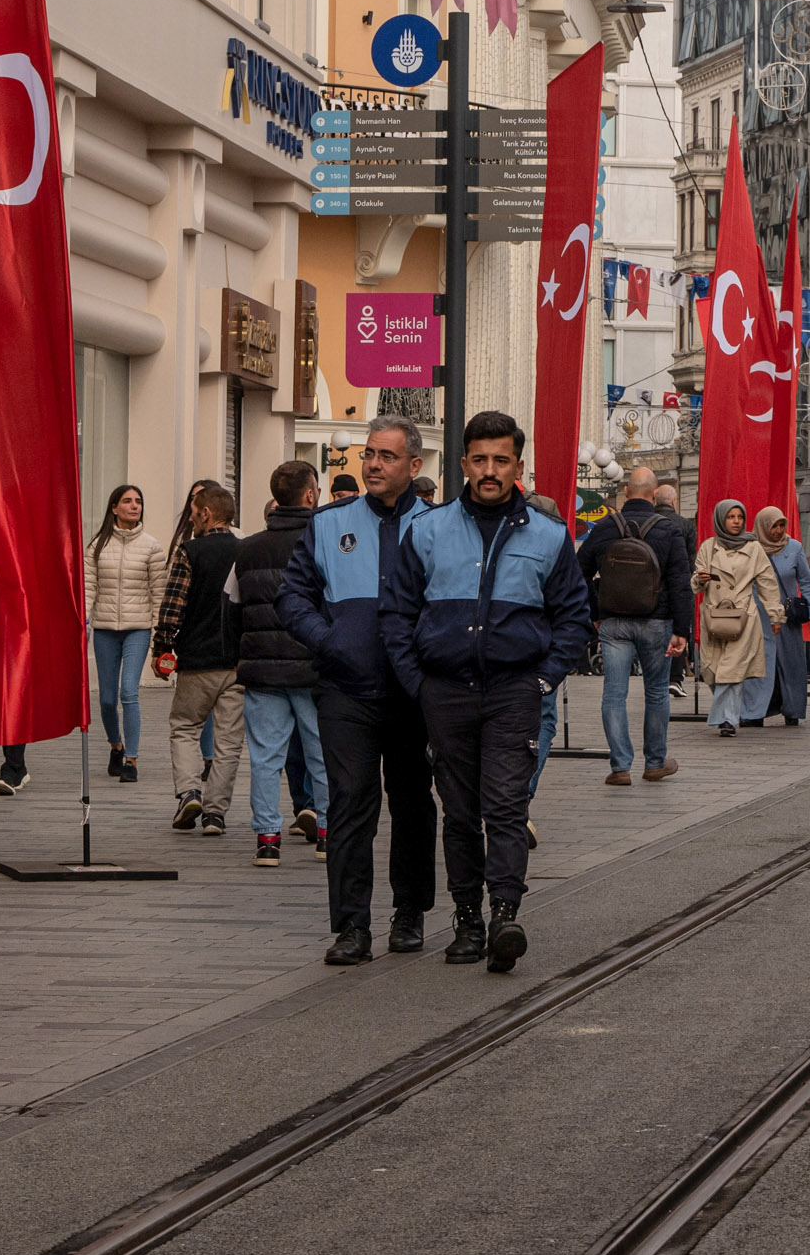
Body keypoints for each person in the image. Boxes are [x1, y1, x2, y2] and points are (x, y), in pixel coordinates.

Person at [382, 410, 592, 970]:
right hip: (445, 691)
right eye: (481, 459)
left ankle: (505, 915)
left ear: (518, 465)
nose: (490, 470)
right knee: (458, 811)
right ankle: (467, 920)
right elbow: (398, 614)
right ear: (464, 464)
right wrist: (417, 684)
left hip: (513, 688)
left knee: (505, 806)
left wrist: (544, 679)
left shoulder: (548, 536)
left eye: (502, 460)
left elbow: (573, 619)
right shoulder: (426, 530)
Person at [284, 422, 445, 960]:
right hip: (345, 690)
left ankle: (409, 912)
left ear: (414, 467)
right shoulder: (329, 523)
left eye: (387, 456)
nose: (373, 464)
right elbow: (293, 598)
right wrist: (328, 641)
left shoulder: (438, 526)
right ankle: (351, 926)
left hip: (411, 692)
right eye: (369, 454)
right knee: (350, 801)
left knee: (413, 802)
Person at [203, 480, 326, 867]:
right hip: (313, 667)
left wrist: (239, 655)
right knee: (322, 754)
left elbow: (230, 609)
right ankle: (327, 834)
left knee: (265, 757)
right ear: (310, 494)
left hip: (261, 669)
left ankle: (268, 840)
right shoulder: (325, 541)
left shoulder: (248, 548)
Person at [578, 460, 695, 783]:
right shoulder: (668, 530)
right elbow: (680, 583)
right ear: (655, 494)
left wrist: (596, 613)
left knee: (614, 694)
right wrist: (682, 631)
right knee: (656, 692)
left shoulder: (604, 528)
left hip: (613, 623)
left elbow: (578, 573)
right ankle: (655, 762)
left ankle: (620, 767)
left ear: (626, 492)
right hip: (656, 622)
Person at [152, 474, 246, 838]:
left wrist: (162, 646)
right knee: (229, 742)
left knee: (185, 728)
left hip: (197, 659)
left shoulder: (189, 552)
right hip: (237, 663)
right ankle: (215, 814)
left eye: (193, 512)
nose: (190, 518)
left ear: (207, 514)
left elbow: (173, 604)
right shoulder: (246, 550)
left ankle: (190, 791)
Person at [84, 484, 159, 785]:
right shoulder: (97, 546)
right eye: (127, 501)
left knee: (129, 692)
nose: (134, 506)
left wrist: (163, 631)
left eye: (138, 501)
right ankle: (116, 745)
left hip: (138, 627)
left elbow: (161, 590)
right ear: (113, 507)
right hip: (104, 629)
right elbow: (89, 586)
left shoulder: (152, 546)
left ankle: (132, 759)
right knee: (106, 699)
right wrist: (84, 620)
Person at [692, 500, 774, 731]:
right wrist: (700, 579)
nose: (736, 521)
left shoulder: (753, 547)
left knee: (733, 669)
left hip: (743, 615)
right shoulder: (708, 547)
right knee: (712, 670)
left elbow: (767, 582)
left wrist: (776, 614)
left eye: (739, 517)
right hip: (714, 616)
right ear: (720, 519)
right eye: (730, 517)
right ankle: (726, 715)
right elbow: (695, 583)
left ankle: (728, 720)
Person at [760, 506, 810, 726]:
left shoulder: (794, 547)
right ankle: (756, 711)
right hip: (761, 616)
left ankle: (792, 710)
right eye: (773, 525)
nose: (778, 530)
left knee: (792, 664)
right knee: (761, 665)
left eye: (781, 524)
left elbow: (807, 581)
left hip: (788, 617)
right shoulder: (753, 549)